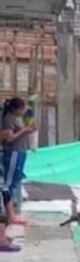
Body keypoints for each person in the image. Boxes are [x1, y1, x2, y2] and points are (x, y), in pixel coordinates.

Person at [0, 97, 35, 226]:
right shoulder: (8, 120)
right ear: (17, 109)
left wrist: (27, 131)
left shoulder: (14, 119)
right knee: (7, 185)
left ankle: (12, 213)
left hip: (19, 152)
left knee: (13, 183)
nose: (25, 110)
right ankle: (10, 215)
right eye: (23, 108)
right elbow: (9, 138)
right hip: (13, 153)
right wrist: (24, 130)